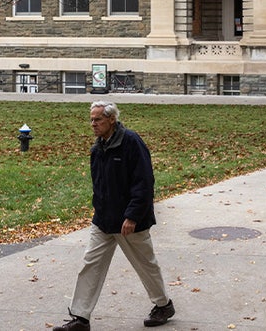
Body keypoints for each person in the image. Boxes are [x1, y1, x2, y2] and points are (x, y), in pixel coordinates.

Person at [53, 101, 176, 330]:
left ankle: (163, 305)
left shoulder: (131, 142)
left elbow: (144, 182)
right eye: (91, 119)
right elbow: (99, 185)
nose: (93, 124)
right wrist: (98, 210)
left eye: (98, 119)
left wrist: (132, 216)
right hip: (103, 220)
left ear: (111, 119)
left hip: (130, 222)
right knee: (90, 264)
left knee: (145, 264)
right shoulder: (98, 148)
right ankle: (80, 317)